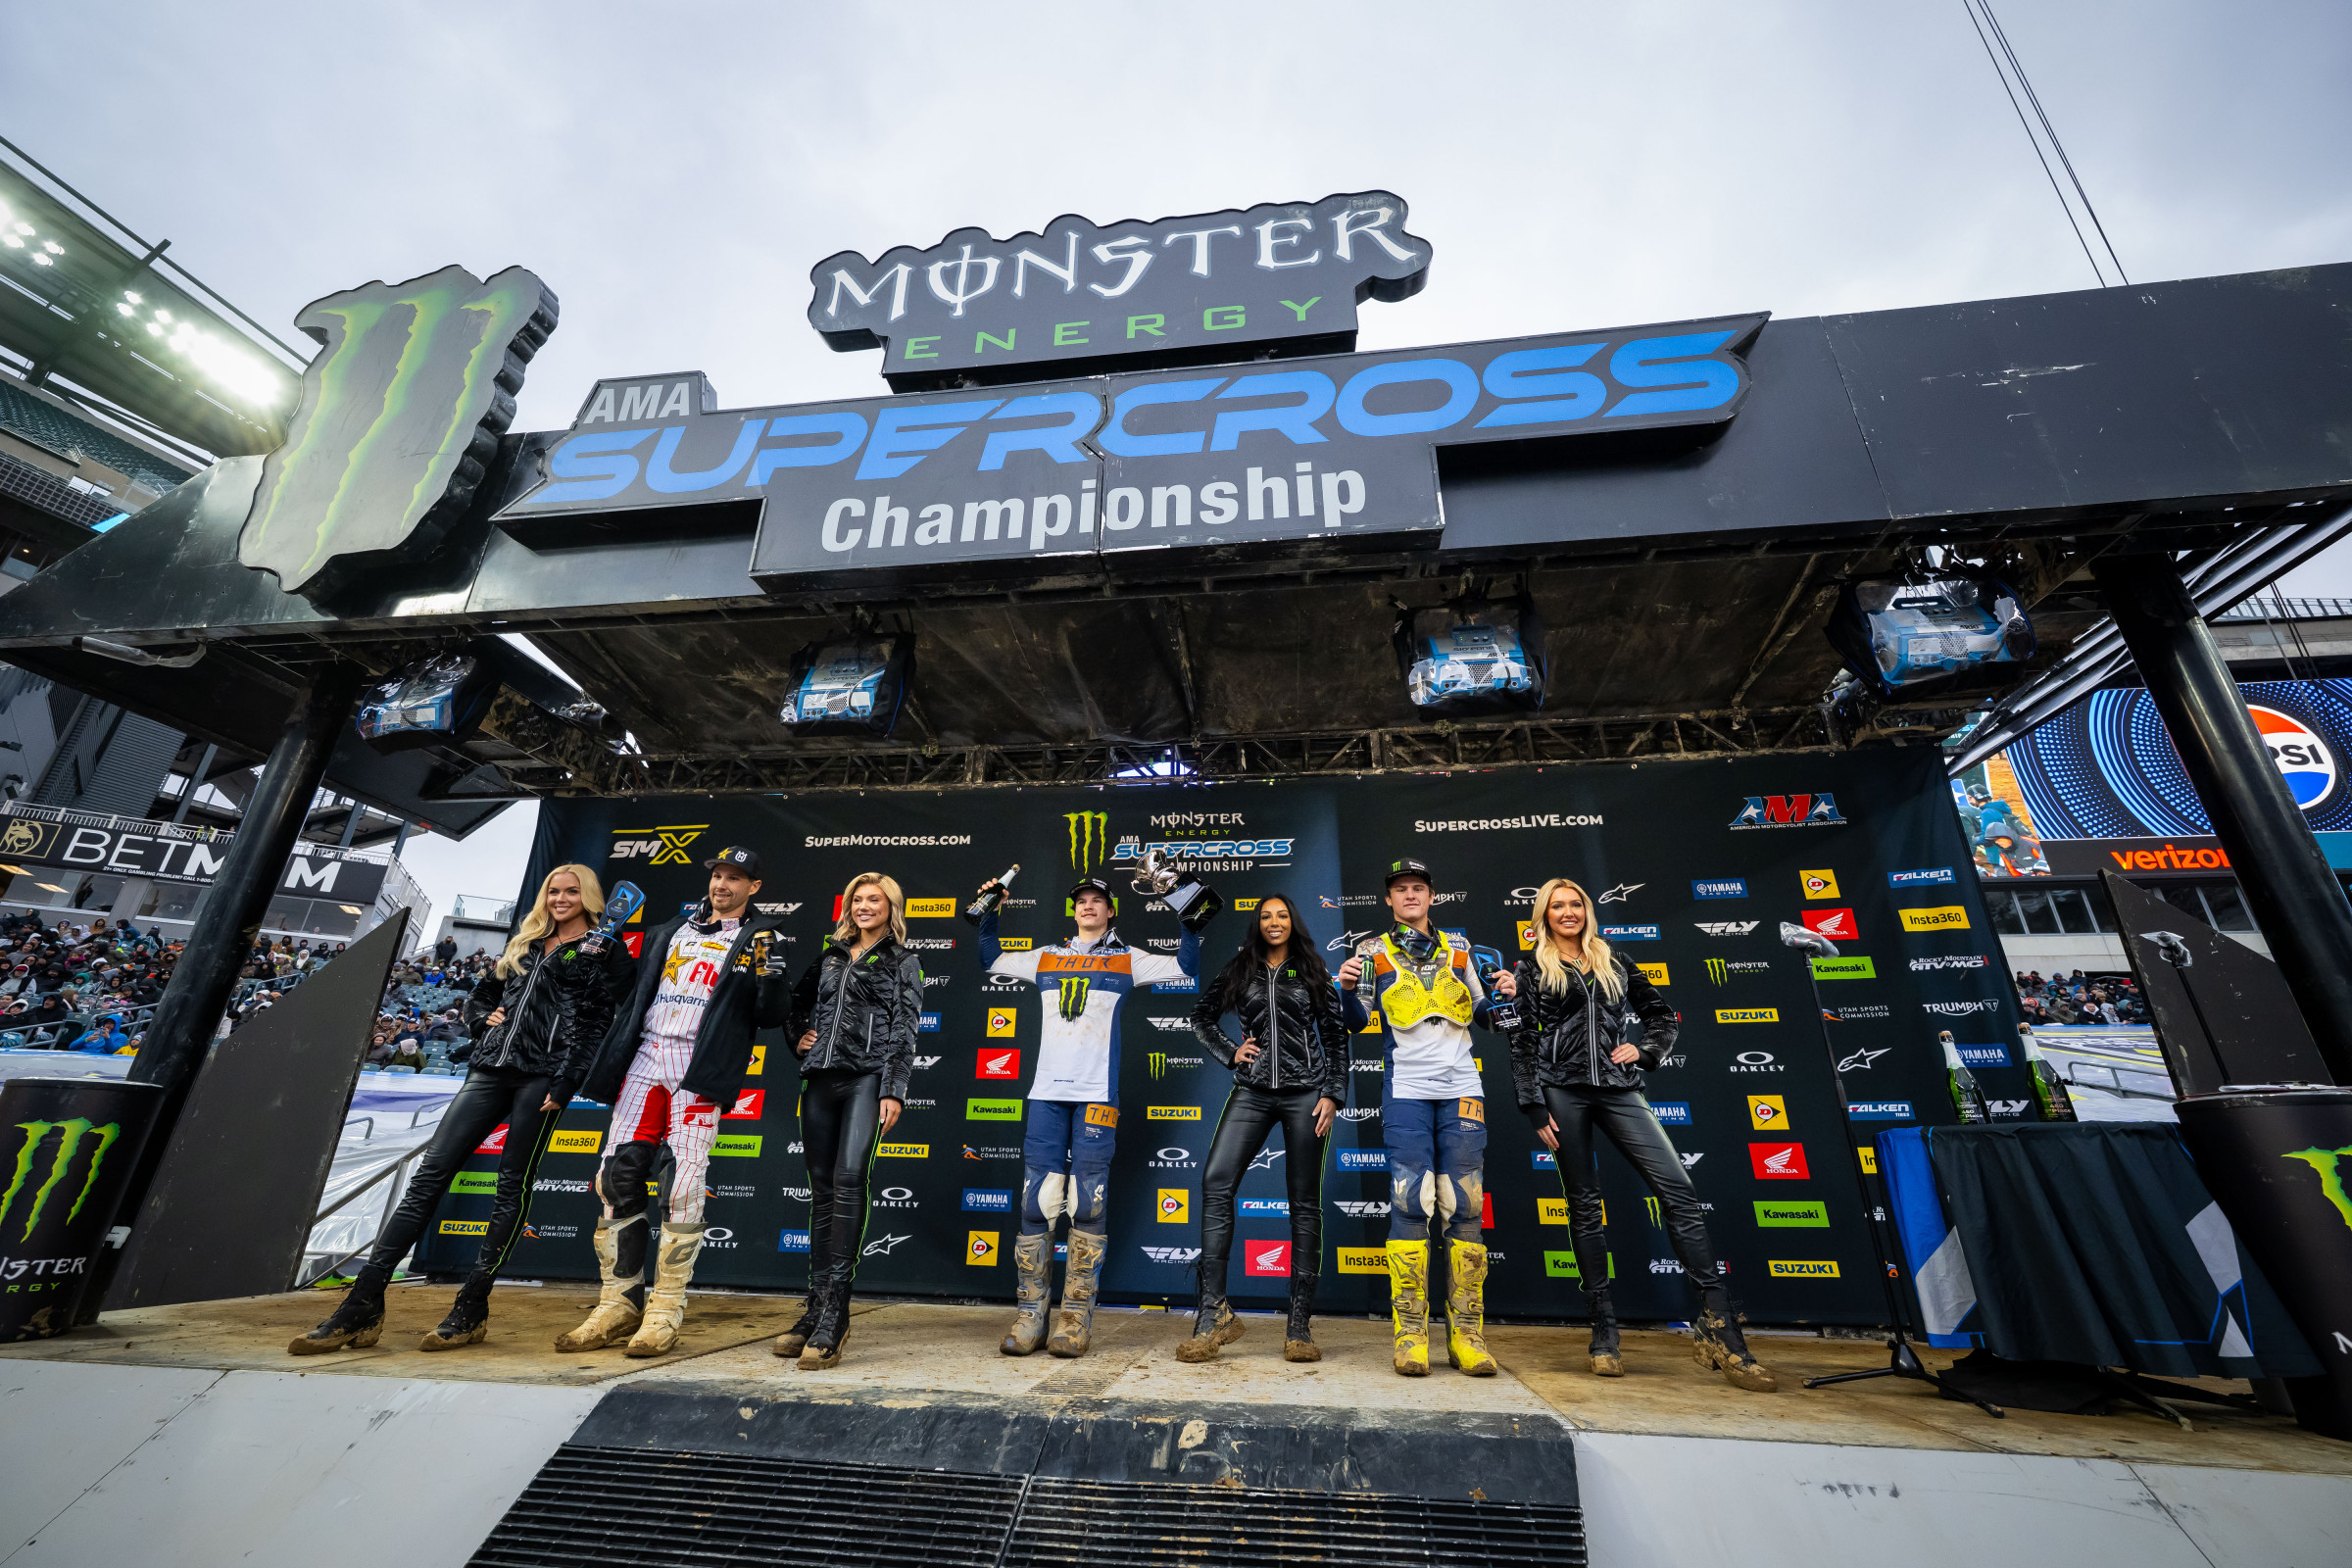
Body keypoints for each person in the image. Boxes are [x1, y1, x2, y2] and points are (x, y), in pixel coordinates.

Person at [291, 865, 626, 1356]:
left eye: (571, 891)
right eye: (554, 891)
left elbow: (598, 1021)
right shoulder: (525, 943)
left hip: (543, 1077)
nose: (560, 898)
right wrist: (481, 1018)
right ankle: (362, 1302)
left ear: (589, 897)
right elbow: (484, 994)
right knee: (428, 1178)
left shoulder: (603, 948)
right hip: (489, 1069)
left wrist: (567, 1079)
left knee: (511, 1186)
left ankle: (471, 1307)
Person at [1509, 876, 1773, 1392]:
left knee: (1680, 1192)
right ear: (1543, 915)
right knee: (1584, 1204)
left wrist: (1647, 1050)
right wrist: (1533, 1104)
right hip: (1561, 1091)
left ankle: (1721, 1329)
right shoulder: (1531, 968)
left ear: (1587, 910)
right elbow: (1520, 1040)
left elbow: (1661, 1015)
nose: (1568, 912)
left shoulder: (1614, 959)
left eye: (1576, 904)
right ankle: (1604, 1332)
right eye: (1557, 906)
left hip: (1619, 1088)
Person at [556, 846, 791, 1358]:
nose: (722, 884)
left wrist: (772, 978)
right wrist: (608, 955)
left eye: (735, 878)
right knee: (614, 1178)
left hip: (697, 1066)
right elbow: (630, 991)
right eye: (718, 875)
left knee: (682, 1184)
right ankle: (617, 1304)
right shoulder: (670, 930)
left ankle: (665, 1310)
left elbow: (771, 1015)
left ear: (753, 887)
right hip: (644, 1059)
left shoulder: (761, 937)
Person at [976, 869, 1207, 1358]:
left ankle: (1075, 1319)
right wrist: (990, 911)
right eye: (1080, 899)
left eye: (1097, 900)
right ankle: (1030, 1315)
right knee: (1037, 1201)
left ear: (1110, 910)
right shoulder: (1045, 955)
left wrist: (1186, 912)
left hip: (1097, 1096)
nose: (1087, 905)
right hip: (1046, 1093)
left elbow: (1186, 964)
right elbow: (990, 957)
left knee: (1087, 1202)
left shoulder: (1128, 957)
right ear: (1074, 909)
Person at [1338, 858, 1507, 1379]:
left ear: (1432, 896)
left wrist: (1506, 995)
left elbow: (1486, 1015)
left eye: (1418, 887)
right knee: (1411, 1202)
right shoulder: (1369, 951)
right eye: (1400, 889)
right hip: (1406, 1088)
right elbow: (1356, 1020)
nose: (1410, 895)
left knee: (1465, 1205)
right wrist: (1345, 989)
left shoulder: (1461, 949)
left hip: (1462, 1088)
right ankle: (1410, 1335)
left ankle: (1467, 1335)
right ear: (1389, 899)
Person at [1182, 894, 1347, 1364]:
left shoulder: (1312, 970)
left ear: (1293, 922)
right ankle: (1213, 1315)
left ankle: (1298, 1327)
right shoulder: (1241, 968)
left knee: (1304, 1203)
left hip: (1306, 1095)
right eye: (1266, 916)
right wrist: (1230, 1051)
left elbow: (1336, 1037)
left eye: (1283, 915)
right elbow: (1201, 1016)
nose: (1275, 922)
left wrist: (1333, 1094)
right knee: (1215, 1182)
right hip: (1252, 1091)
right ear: (1257, 924)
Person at [772, 871, 922, 1370]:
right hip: (820, 1078)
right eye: (858, 899)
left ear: (891, 907)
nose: (864, 906)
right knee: (821, 1190)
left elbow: (905, 1028)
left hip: (867, 1079)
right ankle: (815, 1309)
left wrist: (893, 1089)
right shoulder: (831, 955)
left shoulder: (903, 960)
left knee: (849, 1180)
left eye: (874, 900)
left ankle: (835, 1315)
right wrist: (798, 1036)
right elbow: (793, 1003)